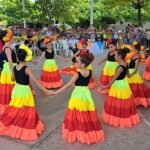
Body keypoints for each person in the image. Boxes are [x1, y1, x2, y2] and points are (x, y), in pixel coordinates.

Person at [0, 45, 53, 141]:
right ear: (26, 58)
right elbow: (36, 82)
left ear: (17, 57)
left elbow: (13, 79)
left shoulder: (15, 67)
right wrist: (46, 91)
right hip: (25, 91)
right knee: (26, 109)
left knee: (16, 107)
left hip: (16, 90)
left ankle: (14, 123)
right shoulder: (27, 69)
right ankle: (23, 125)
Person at [55, 53, 104, 144]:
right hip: (86, 93)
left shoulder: (77, 74)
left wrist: (56, 92)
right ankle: (86, 129)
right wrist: (102, 87)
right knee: (85, 111)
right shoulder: (90, 72)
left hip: (77, 94)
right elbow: (96, 81)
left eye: (77, 62)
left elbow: (67, 85)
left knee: (77, 111)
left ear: (83, 64)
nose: (75, 64)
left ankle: (79, 129)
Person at [100, 48, 140, 128]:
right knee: (123, 101)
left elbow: (114, 78)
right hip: (124, 84)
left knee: (117, 101)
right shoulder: (126, 63)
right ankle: (123, 116)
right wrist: (131, 75)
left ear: (120, 56)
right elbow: (128, 74)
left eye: (115, 55)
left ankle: (117, 117)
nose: (114, 56)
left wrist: (106, 86)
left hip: (118, 85)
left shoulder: (120, 67)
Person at [127, 43, 150, 107]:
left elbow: (136, 69)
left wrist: (131, 74)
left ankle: (136, 101)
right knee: (130, 88)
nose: (131, 51)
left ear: (136, 51)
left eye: (133, 50)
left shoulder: (137, 58)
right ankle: (131, 100)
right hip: (129, 73)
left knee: (135, 88)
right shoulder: (132, 57)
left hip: (134, 75)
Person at [0, 28, 17, 114]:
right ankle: (11, 104)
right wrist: (13, 73)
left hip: (7, 69)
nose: (14, 38)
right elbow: (10, 62)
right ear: (9, 37)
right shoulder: (7, 48)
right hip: (9, 70)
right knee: (11, 87)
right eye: (13, 36)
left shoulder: (6, 47)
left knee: (10, 88)